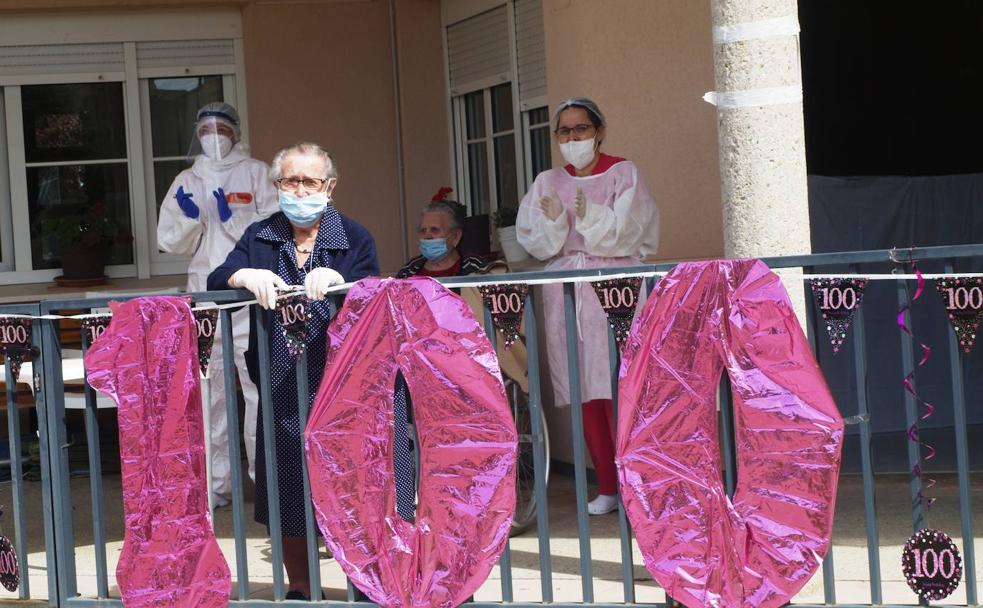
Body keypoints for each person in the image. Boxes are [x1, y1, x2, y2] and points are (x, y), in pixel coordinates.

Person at [207, 142, 379, 600]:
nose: (299, 189)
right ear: (277, 185)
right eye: (290, 181)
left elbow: (373, 288)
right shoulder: (260, 235)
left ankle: (364, 586)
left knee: (352, 484)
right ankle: (302, 587)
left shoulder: (355, 237)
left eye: (310, 181)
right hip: (282, 379)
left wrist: (344, 286)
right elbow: (217, 276)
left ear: (330, 187)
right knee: (287, 485)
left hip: (341, 379)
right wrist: (242, 277)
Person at [516, 97, 660, 516]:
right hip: (568, 292)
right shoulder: (547, 181)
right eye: (565, 131)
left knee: (625, 384)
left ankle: (639, 484)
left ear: (599, 131)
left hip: (614, 288)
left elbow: (631, 233)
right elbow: (536, 240)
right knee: (584, 390)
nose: (573, 137)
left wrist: (592, 214)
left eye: (581, 129)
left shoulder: (623, 172)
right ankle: (609, 484)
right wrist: (559, 221)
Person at [157, 102, 278, 507]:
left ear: (235, 133)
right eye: (206, 128)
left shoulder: (257, 173)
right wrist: (194, 218)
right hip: (206, 295)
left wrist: (233, 219)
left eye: (221, 128)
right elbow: (171, 241)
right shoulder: (186, 180)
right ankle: (216, 485)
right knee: (211, 393)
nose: (214, 136)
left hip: (249, 294)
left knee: (257, 389)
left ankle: (265, 482)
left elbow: (274, 229)